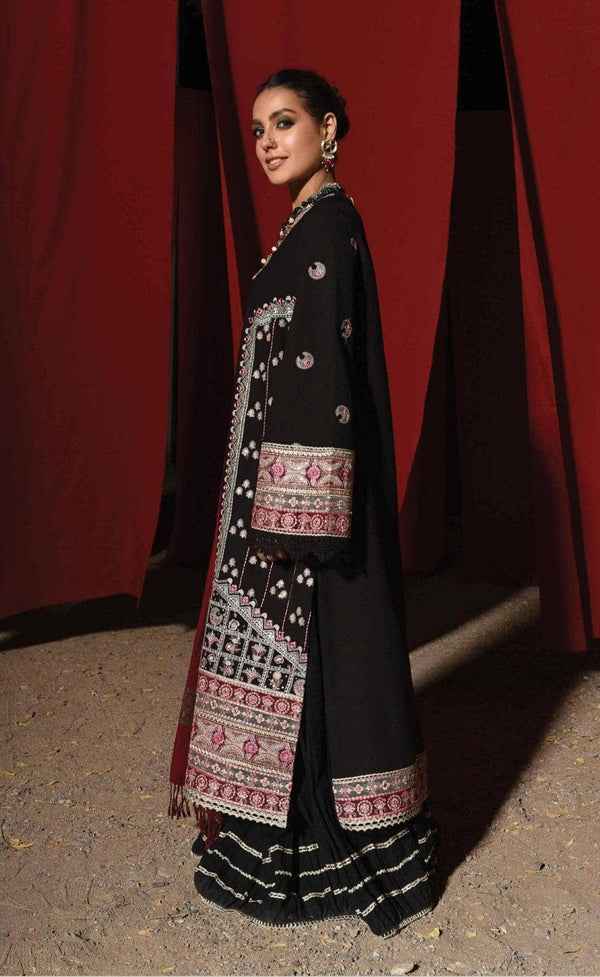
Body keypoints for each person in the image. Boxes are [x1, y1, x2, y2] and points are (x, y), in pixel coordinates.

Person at [170, 68, 439, 938]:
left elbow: (325, 369)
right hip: (276, 498)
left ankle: (329, 841)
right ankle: (279, 821)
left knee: (321, 663)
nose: (266, 143)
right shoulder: (301, 228)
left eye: (283, 123)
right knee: (303, 668)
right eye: (256, 130)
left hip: (303, 511)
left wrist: (295, 520)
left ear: (328, 130)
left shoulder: (328, 225)